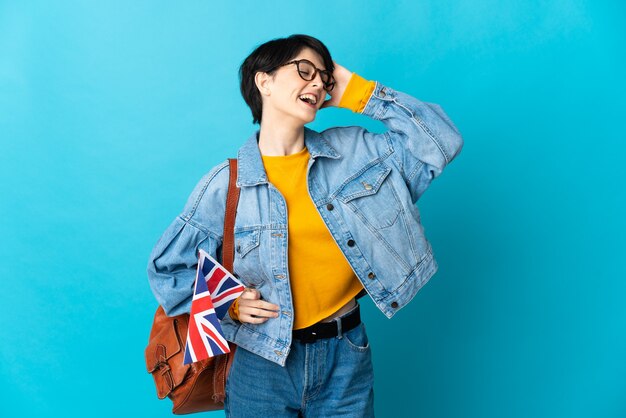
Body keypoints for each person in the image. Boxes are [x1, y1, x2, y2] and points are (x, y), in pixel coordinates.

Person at [147, 34, 463, 417]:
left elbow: (441, 140)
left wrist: (360, 93)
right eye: (304, 70)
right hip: (260, 361)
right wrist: (227, 304)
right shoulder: (225, 185)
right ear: (264, 81)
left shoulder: (353, 153)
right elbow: (168, 269)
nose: (317, 83)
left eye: (324, 78)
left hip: (346, 354)